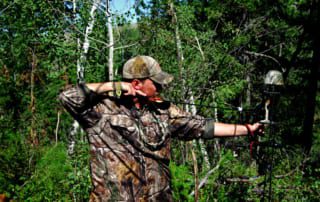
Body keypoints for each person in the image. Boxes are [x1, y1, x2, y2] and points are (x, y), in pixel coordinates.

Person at [59, 55, 262, 202]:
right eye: (156, 83)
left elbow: (204, 127)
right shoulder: (101, 109)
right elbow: (67, 98)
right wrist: (111, 86)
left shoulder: (164, 111)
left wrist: (247, 129)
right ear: (137, 83)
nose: (161, 87)